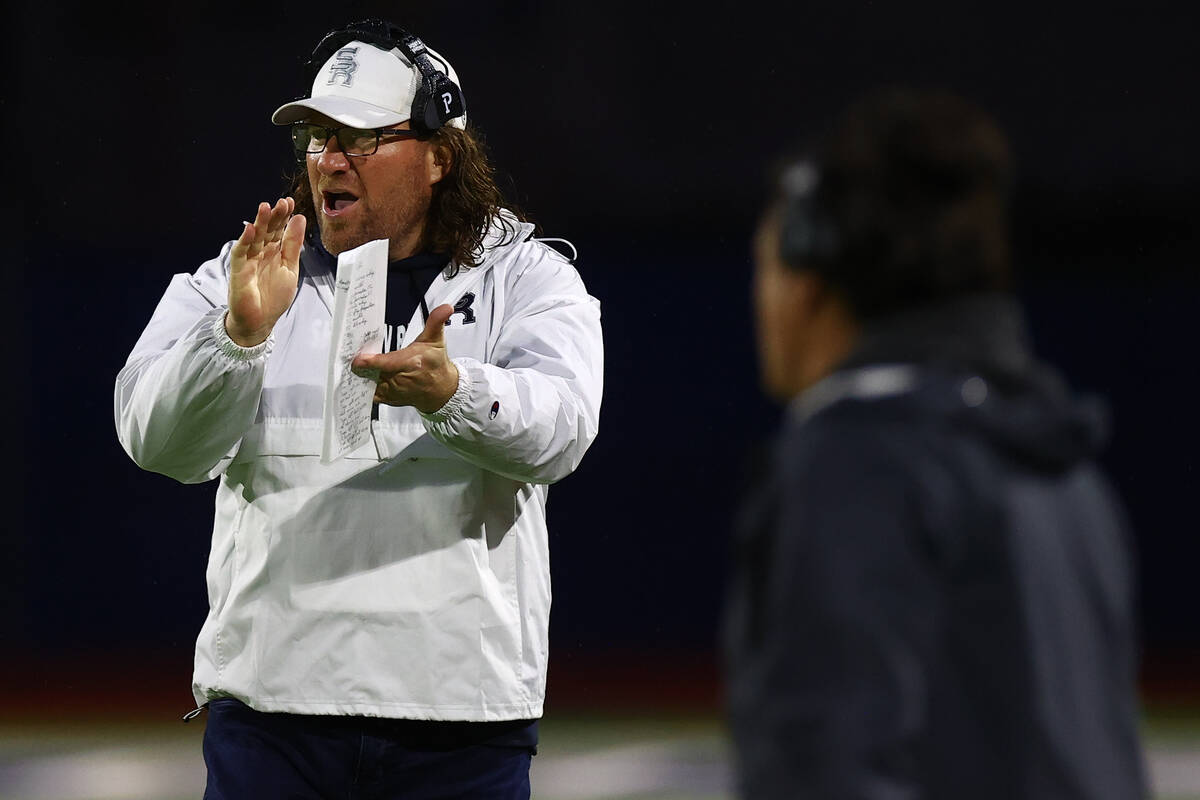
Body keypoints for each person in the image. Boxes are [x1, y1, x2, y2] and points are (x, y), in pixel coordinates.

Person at [114, 18, 602, 799]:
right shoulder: (244, 278)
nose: (329, 161)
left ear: (441, 155)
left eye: (361, 138)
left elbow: (563, 430)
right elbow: (155, 443)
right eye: (317, 137)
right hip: (275, 715)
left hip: (459, 720)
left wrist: (455, 392)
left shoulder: (528, 279)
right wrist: (237, 335)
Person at [721, 87, 1148, 799]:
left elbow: (827, 765)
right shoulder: (1067, 473)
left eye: (766, 264)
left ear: (809, 273)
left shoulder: (854, 469)